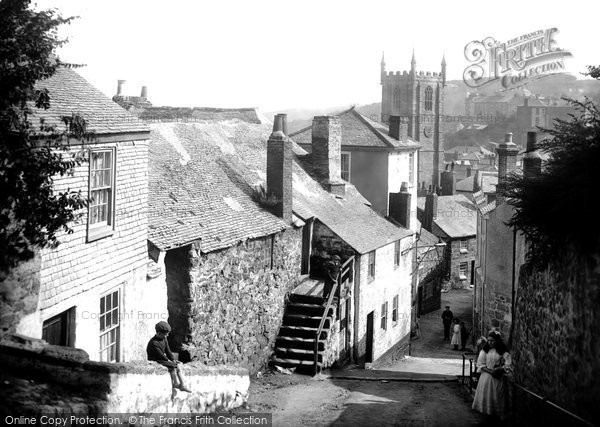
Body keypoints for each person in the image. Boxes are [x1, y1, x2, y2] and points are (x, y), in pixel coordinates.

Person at [472, 330, 511, 420]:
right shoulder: (485, 350)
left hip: (497, 378)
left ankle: (495, 417)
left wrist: (500, 369)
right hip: (486, 377)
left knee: (496, 396)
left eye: (492, 340)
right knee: (486, 396)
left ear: (497, 340)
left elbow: (508, 364)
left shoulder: (503, 352)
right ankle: (486, 417)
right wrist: (490, 371)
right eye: (489, 340)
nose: (490, 342)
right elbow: (480, 364)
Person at [147, 321, 191, 393]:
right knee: (174, 365)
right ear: (159, 333)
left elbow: (168, 351)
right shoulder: (153, 343)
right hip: (155, 359)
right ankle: (179, 384)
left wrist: (173, 359)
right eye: (165, 334)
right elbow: (160, 355)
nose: (167, 335)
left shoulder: (164, 339)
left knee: (175, 365)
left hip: (162, 359)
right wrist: (169, 361)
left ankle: (179, 384)